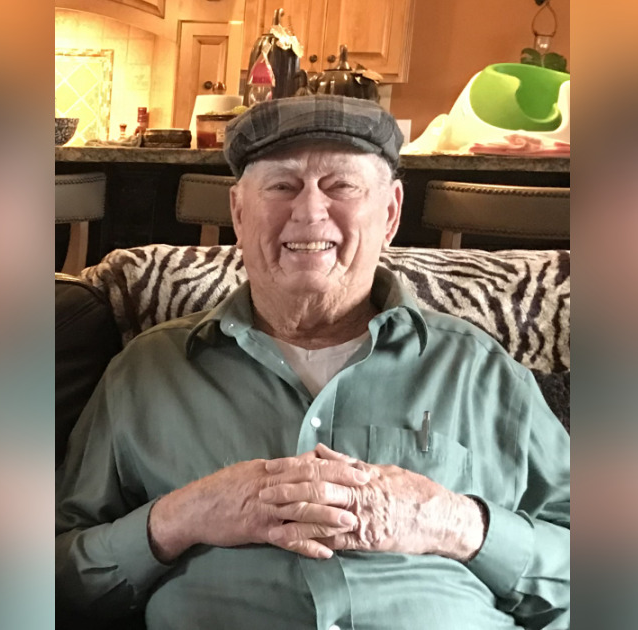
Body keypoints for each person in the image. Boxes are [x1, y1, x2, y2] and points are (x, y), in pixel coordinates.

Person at [56, 95, 570, 630]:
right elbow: (57, 582)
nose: (308, 211)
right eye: (282, 186)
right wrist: (180, 517)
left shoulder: (478, 370)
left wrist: (456, 524)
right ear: (238, 213)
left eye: (341, 185)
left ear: (390, 212)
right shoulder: (147, 371)